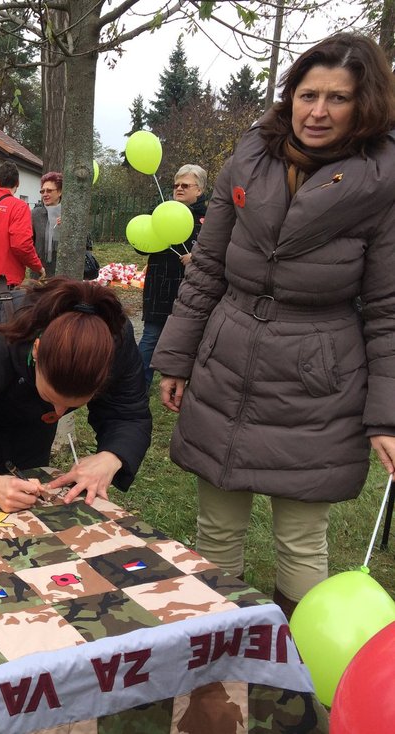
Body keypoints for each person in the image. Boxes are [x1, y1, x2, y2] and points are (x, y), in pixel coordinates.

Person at [152, 32, 395, 619]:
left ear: (364, 105)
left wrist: (387, 415)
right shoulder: (249, 157)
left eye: (337, 98)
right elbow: (207, 268)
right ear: (290, 96)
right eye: (307, 94)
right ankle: (216, 651)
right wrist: (176, 357)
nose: (317, 111)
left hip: (318, 379)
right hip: (227, 360)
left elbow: (388, 309)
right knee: (215, 532)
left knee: (301, 541)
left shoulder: (383, 184)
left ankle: (297, 664)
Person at [0, 278, 151, 512]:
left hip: (23, 403)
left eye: (71, 405)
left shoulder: (114, 340)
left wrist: (112, 456)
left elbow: (129, 413)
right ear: (37, 351)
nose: (58, 413)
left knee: (26, 487)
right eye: (52, 399)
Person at [137, 164, 208, 387]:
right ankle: (138, 384)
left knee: (193, 339)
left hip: (193, 289)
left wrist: (195, 257)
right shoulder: (161, 211)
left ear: (199, 189)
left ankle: (192, 385)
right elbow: (142, 243)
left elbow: (220, 250)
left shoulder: (212, 217)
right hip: (160, 286)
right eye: (176, 184)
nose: (178, 189)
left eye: (185, 185)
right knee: (151, 337)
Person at [0, 160, 44, 297]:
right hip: (8, 280)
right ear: (17, 183)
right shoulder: (20, 207)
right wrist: (38, 267)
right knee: (6, 318)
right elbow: (21, 244)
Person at [32, 170, 63, 276]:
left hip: (62, 272)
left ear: (60, 192)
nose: (45, 194)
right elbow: (29, 243)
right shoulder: (35, 214)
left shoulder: (68, 215)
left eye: (49, 191)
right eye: (42, 191)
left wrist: (66, 228)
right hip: (40, 273)